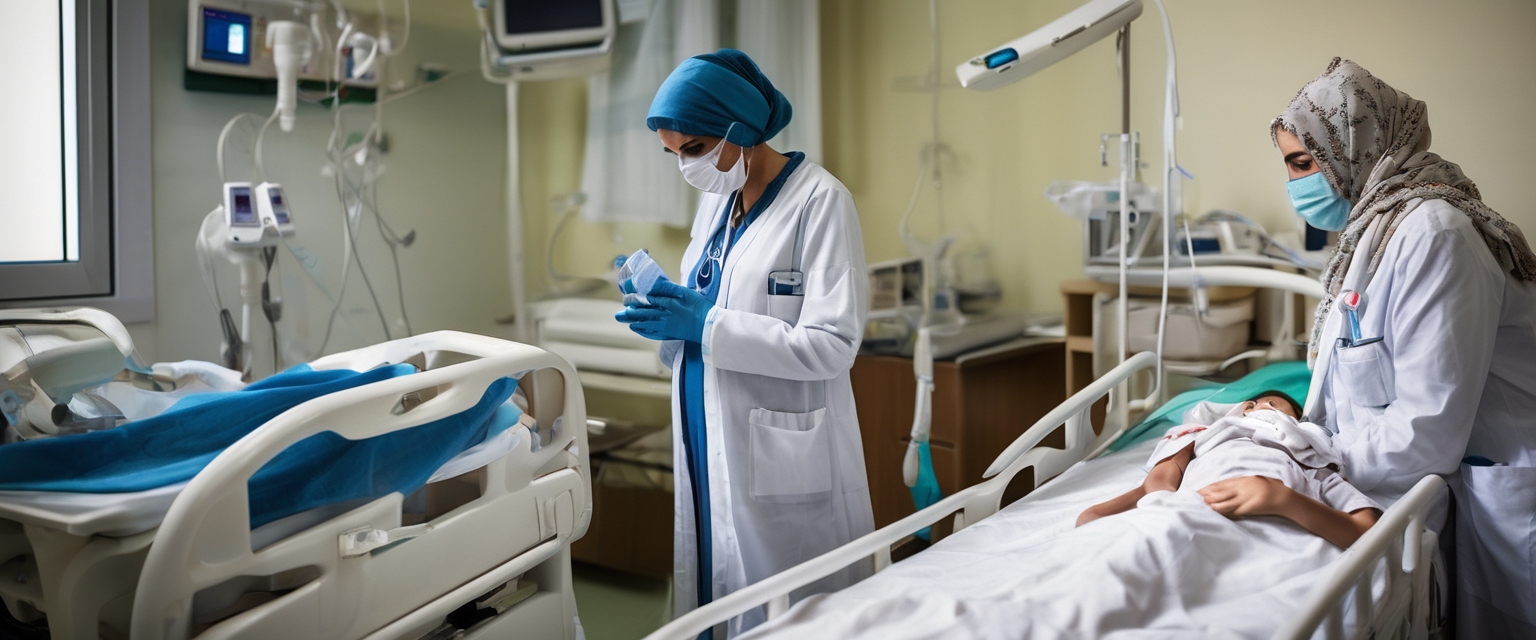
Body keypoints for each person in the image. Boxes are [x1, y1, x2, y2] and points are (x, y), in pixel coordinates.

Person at [614, 49, 874, 638]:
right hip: (707, 428)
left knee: (792, 612)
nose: (687, 166)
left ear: (740, 129)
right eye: (674, 154)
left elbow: (832, 344)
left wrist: (705, 325)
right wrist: (668, 316)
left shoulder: (821, 201)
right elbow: (710, 297)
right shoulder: (718, 200)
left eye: (696, 148)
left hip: (781, 448)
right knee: (715, 589)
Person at [1273, 58, 1536, 636]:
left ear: (1354, 148)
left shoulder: (1436, 234)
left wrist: (1309, 464)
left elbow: (1426, 428)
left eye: (1303, 163)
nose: (1294, 184)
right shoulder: (1375, 231)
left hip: (1508, 488)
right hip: (1431, 480)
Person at [1076, 391, 1381, 548]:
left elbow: (1366, 529)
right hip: (1185, 514)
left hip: (1261, 537)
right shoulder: (1205, 442)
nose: (1267, 410)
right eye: (1264, 403)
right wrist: (1110, 511)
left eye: (1277, 406)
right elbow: (1158, 487)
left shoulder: (1307, 459)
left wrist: (1283, 499)